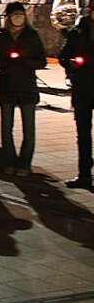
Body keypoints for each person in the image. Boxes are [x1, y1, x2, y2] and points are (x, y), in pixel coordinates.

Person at [0, 2, 46, 177]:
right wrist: (7, 61)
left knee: (28, 128)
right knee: (6, 127)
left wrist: (24, 61)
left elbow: (41, 61)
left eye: (20, 15)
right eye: (14, 15)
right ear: (8, 18)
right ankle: (9, 160)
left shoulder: (31, 35)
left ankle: (25, 163)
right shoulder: (1, 36)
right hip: (7, 85)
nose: (18, 18)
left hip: (27, 86)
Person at [59, 13, 94, 188]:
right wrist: (71, 64)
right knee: (83, 133)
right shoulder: (77, 32)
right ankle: (84, 174)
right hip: (83, 88)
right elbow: (63, 56)